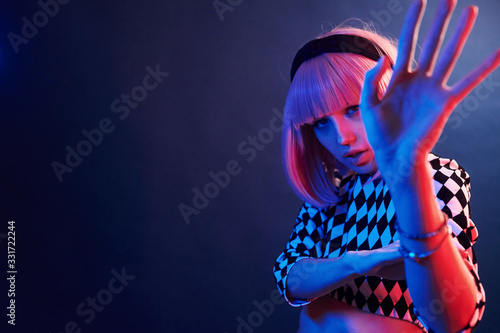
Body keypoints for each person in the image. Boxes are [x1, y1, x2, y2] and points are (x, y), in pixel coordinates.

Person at [273, 0, 500, 332]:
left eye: (353, 109)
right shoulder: (331, 195)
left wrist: (410, 178)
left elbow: (453, 319)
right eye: (320, 122)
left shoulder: (437, 177)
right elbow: (290, 279)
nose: (341, 138)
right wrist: (359, 262)